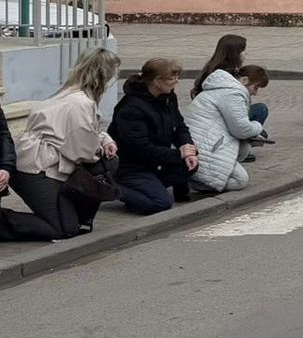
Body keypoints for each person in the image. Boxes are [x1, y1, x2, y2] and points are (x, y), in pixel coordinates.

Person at [3, 49, 121, 240]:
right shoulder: (81, 103)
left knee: (68, 224)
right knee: (63, 229)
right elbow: (84, 151)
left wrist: (105, 139)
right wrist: (100, 147)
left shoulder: (71, 93)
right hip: (37, 169)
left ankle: (73, 210)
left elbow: (86, 131)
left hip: (40, 163)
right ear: (104, 76)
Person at [110, 58, 198, 214]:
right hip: (131, 166)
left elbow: (179, 126)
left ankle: (151, 187)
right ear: (157, 81)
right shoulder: (131, 107)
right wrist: (177, 154)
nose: (176, 82)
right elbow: (139, 147)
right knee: (161, 203)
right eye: (172, 78)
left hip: (154, 161)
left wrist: (187, 147)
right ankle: (113, 188)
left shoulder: (169, 98)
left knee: (190, 162)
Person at [184, 39, 266, 194]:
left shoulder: (220, 76)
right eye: (243, 50)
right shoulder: (231, 88)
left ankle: (212, 173)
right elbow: (240, 128)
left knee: (251, 131)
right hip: (209, 141)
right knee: (241, 180)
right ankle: (199, 181)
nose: (246, 54)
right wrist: (257, 127)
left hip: (210, 134)